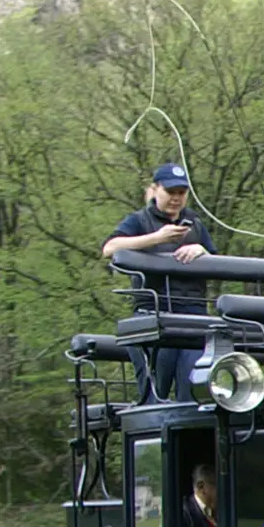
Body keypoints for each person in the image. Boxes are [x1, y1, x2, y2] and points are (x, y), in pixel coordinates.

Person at [102, 163, 211, 399]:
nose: (175, 198)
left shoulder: (196, 223)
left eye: (181, 193)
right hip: (153, 315)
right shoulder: (139, 221)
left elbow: (218, 260)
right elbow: (109, 248)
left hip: (194, 318)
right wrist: (156, 238)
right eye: (170, 192)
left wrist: (200, 248)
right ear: (155, 189)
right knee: (154, 393)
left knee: (193, 392)